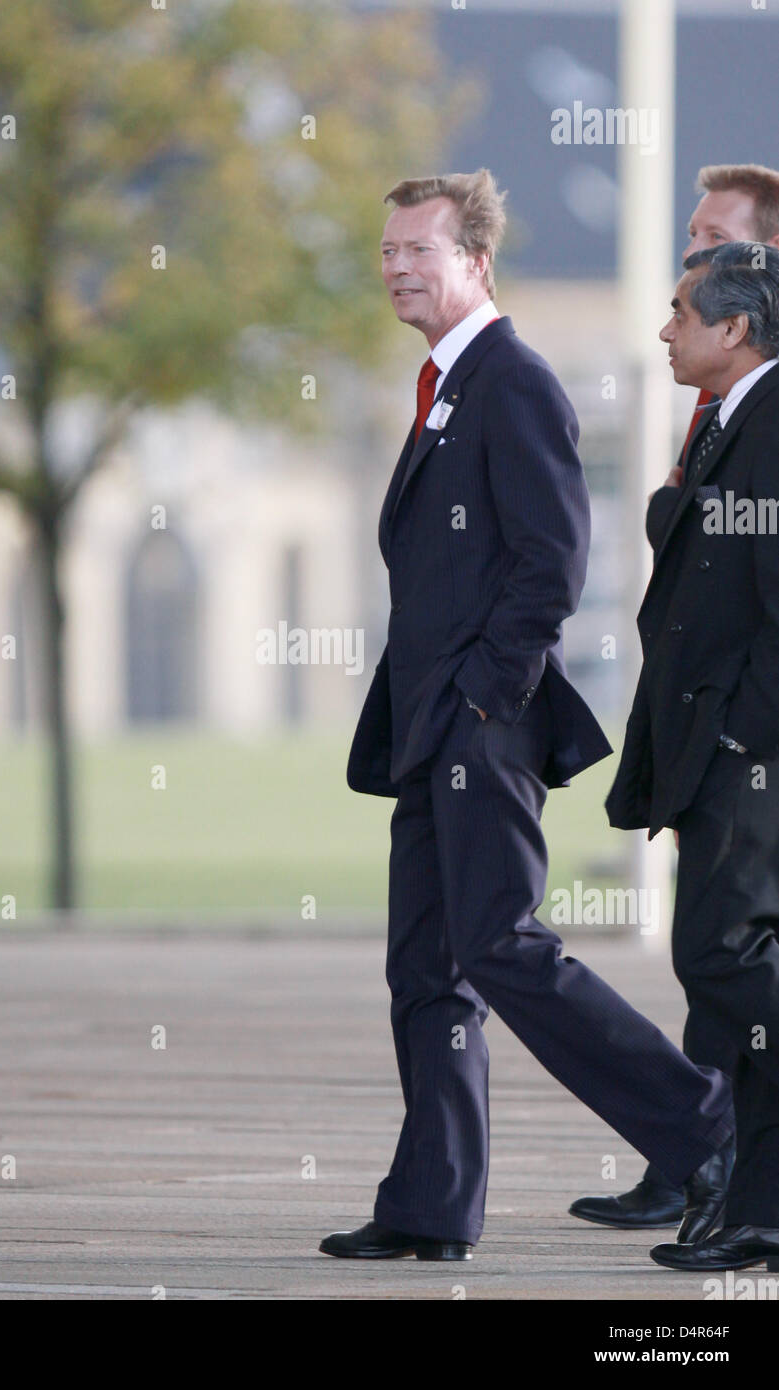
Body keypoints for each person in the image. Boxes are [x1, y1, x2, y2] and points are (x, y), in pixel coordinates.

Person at [318, 171, 733, 1263]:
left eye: (420, 249)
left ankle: (706, 1126)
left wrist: (478, 697)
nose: (398, 266)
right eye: (388, 251)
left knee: (501, 944)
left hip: (476, 724)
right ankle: (429, 1205)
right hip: (427, 729)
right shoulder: (446, 384)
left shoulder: (511, 382)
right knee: (426, 966)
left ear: (476, 261)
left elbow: (551, 566)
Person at [571, 163, 779, 1236]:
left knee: (722, 959)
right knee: (719, 970)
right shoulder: (728, 414)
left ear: (739, 325)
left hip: (743, 754)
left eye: (683, 304)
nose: (664, 321)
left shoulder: (769, 419)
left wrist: (743, 732)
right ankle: (742, 1202)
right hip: (710, 744)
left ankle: (749, 1198)